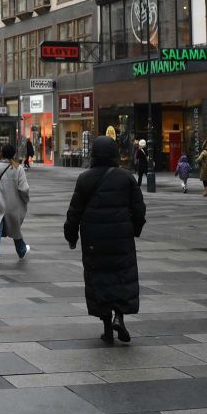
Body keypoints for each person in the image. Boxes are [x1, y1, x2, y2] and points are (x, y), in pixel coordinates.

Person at [65, 136, 145, 345]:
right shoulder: (126, 177)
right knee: (121, 276)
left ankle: (107, 328)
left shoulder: (85, 178)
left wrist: (71, 236)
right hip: (121, 238)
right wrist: (134, 230)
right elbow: (139, 209)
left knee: (99, 279)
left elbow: (74, 212)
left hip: (94, 239)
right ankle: (120, 316)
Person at [0, 143, 30, 265]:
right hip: (13, 204)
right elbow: (24, 188)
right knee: (15, 228)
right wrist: (25, 199)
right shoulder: (18, 168)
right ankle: (21, 250)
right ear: (14, 154)